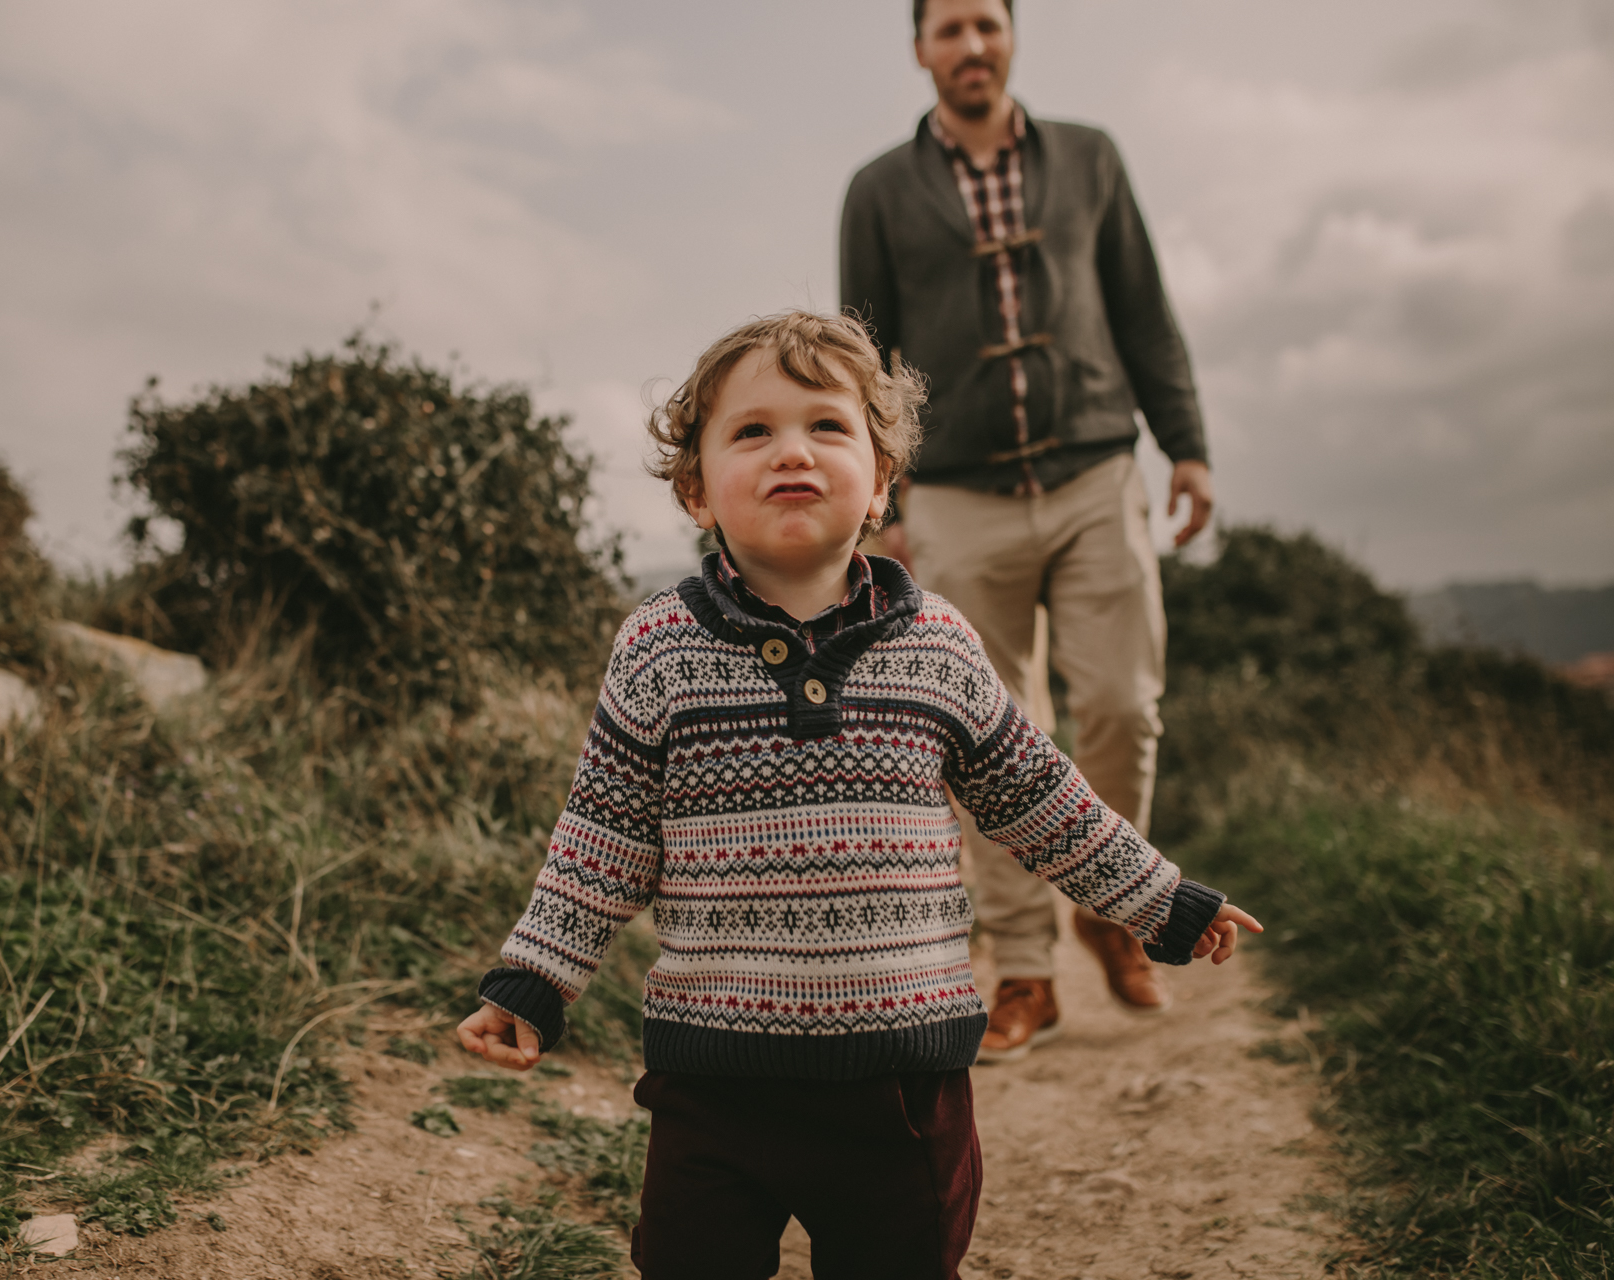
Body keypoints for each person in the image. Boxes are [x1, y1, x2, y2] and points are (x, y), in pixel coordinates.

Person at [456, 311, 1259, 1279]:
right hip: (712, 1081)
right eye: (752, 430)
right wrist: (535, 979)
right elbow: (605, 834)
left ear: (882, 481)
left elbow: (1043, 799)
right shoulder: (659, 648)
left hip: (905, 1081)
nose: (792, 449)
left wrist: (1158, 900)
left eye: (827, 427)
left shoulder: (938, 646)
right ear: (696, 488)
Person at [840, 0, 1217, 1061]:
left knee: (1121, 703)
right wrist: (885, 498)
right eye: (950, 28)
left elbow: (1143, 307)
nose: (973, 45)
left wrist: (1185, 443)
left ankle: (1112, 901)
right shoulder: (877, 190)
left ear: (1012, 37)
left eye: (988, 24)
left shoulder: (1091, 160)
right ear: (919, 48)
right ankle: (1023, 967)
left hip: (1097, 467)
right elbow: (866, 355)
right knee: (983, 739)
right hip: (956, 491)